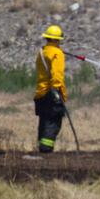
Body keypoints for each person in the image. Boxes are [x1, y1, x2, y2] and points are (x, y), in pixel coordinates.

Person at [34, 25, 67, 153]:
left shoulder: (42, 52)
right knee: (53, 122)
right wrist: (56, 91)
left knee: (44, 122)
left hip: (40, 93)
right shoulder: (57, 53)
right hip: (52, 93)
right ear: (56, 39)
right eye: (58, 40)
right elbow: (57, 75)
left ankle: (41, 148)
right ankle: (46, 149)